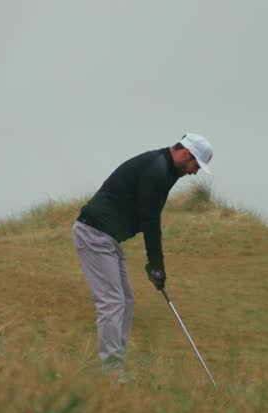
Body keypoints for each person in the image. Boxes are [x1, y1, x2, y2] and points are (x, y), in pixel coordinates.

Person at [72, 133, 214, 369]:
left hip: (107, 237)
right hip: (94, 234)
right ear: (186, 154)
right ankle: (110, 370)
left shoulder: (166, 168)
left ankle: (116, 363)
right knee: (112, 302)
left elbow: (149, 216)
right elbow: (150, 219)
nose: (194, 172)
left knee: (125, 299)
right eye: (195, 165)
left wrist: (156, 264)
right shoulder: (157, 169)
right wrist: (156, 264)